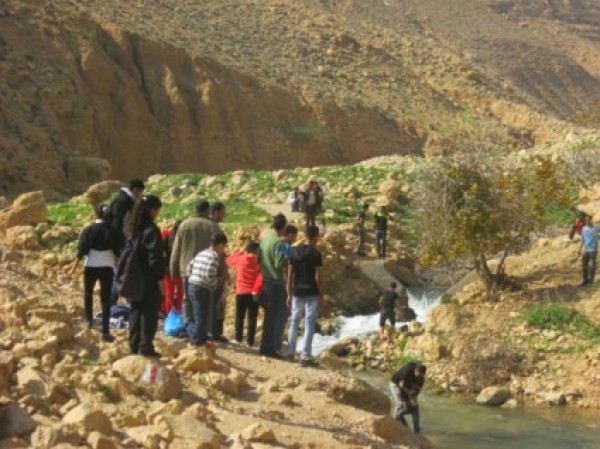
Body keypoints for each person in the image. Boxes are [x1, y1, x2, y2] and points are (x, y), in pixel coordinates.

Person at [72, 204, 121, 342]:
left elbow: (82, 250)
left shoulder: (89, 230)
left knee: (88, 292)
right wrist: (117, 264)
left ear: (96, 214)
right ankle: (105, 331)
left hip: (91, 266)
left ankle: (89, 320)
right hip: (107, 267)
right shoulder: (113, 231)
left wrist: (73, 267)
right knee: (105, 298)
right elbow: (118, 252)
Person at [170, 200, 219, 336]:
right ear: (207, 210)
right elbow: (219, 249)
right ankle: (205, 331)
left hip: (186, 268)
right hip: (206, 268)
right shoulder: (212, 226)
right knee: (206, 302)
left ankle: (189, 328)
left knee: (187, 300)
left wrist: (173, 269)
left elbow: (176, 249)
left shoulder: (184, 224)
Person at [125, 195, 165, 357]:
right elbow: (155, 258)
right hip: (149, 278)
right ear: (152, 210)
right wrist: (160, 279)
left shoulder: (134, 229)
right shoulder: (151, 230)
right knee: (149, 313)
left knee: (135, 310)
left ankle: (133, 345)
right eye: (157, 210)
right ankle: (146, 346)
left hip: (134, 276)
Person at [286, 225, 324, 366]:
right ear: (314, 237)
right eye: (318, 236)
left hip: (297, 292)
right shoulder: (316, 254)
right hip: (312, 293)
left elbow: (290, 275)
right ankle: (305, 355)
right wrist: (322, 295)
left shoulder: (294, 252)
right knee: (309, 323)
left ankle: (290, 352)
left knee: (294, 321)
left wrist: (289, 293)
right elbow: (318, 277)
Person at [187, 233, 228, 347]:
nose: (224, 249)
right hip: (201, 288)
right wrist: (218, 281)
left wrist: (194, 277)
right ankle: (197, 341)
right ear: (220, 244)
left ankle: (200, 338)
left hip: (192, 285)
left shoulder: (201, 253)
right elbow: (209, 275)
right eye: (224, 246)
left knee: (198, 314)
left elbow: (189, 267)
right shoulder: (214, 256)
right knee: (201, 316)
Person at [259, 213, 289, 358]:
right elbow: (278, 264)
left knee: (268, 316)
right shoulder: (279, 243)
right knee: (276, 317)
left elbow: (259, 259)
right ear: (283, 227)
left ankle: (264, 345)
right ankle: (271, 348)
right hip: (276, 282)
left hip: (265, 280)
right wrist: (287, 259)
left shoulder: (265, 239)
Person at [227, 241, 262, 346]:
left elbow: (228, 260)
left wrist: (240, 251)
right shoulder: (259, 262)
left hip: (241, 291)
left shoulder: (240, 259)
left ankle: (238, 338)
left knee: (239, 317)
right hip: (254, 293)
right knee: (252, 318)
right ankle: (250, 341)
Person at [208, 202, 229, 342]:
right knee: (216, 304)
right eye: (222, 212)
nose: (224, 215)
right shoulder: (213, 227)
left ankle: (213, 332)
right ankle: (214, 332)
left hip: (213, 272)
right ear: (215, 212)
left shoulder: (211, 226)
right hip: (216, 273)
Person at [389, 363, 426, 433]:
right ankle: (399, 424)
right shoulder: (407, 373)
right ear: (416, 370)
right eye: (418, 375)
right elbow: (401, 387)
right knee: (401, 404)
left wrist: (412, 399)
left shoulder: (421, 379)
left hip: (406, 387)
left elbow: (416, 391)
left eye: (421, 376)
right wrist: (405, 401)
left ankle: (415, 430)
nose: (419, 377)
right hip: (396, 384)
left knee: (414, 406)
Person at [109, 178, 145, 247]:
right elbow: (116, 221)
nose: (140, 195)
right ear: (135, 190)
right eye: (140, 192)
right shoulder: (122, 201)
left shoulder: (127, 199)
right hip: (119, 239)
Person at [161, 221, 183, 315]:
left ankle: (177, 313)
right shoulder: (167, 235)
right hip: (168, 269)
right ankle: (169, 314)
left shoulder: (183, 238)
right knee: (170, 293)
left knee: (179, 294)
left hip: (178, 270)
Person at [577, 215, 599, 286]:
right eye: (586, 220)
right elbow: (583, 239)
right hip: (586, 249)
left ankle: (591, 280)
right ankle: (585, 280)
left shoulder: (596, 227)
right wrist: (579, 248)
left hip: (593, 250)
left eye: (588, 219)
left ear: (591, 220)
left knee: (592, 265)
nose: (587, 221)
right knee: (584, 265)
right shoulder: (584, 228)